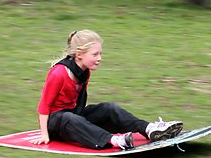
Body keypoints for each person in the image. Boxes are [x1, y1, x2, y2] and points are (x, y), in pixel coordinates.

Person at [30, 30, 184, 150]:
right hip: (56, 124)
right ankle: (114, 140)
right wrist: (45, 134)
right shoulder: (59, 73)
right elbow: (44, 106)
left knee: (108, 108)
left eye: (100, 53)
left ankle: (149, 129)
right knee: (69, 118)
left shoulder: (84, 71)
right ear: (79, 55)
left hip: (74, 117)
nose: (99, 58)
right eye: (95, 54)